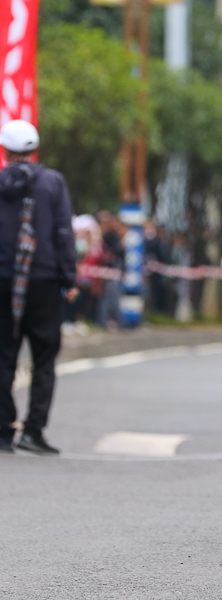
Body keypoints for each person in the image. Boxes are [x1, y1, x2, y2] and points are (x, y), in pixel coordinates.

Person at [0, 120, 77, 455]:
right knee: (44, 358)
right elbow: (63, 232)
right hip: (44, 280)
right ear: (34, 150)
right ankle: (33, 430)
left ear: (4, 150)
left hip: (2, 280)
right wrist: (69, 277)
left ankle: (2, 432)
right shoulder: (52, 182)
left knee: (3, 356)